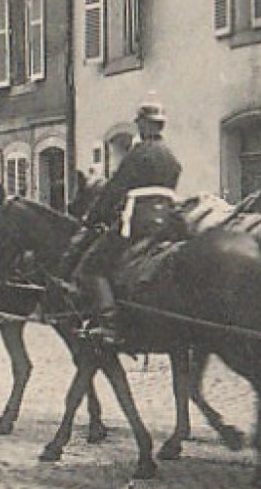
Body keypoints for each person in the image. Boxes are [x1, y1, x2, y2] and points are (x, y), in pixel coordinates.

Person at [70, 99, 183, 344]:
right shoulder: (171, 158)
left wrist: (93, 218)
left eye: (141, 123)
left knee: (92, 265)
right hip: (167, 221)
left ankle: (108, 323)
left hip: (138, 219)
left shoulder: (137, 154)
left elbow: (114, 189)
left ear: (144, 124)